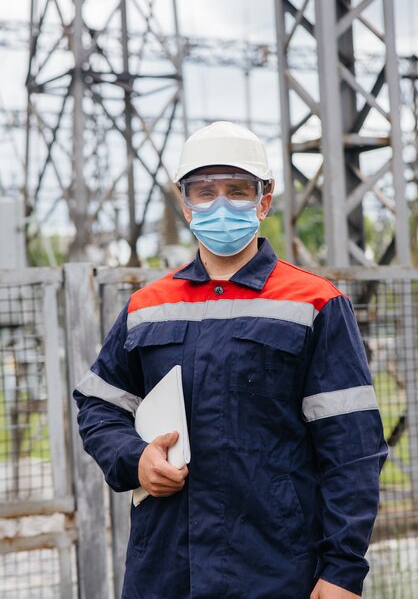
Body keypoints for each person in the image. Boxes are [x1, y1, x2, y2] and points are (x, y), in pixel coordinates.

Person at [74, 121, 388, 599]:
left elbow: (352, 451)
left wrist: (342, 570)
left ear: (264, 200)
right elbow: (99, 406)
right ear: (185, 202)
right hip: (166, 572)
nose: (220, 204)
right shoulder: (147, 307)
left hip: (276, 571)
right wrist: (134, 459)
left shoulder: (315, 304)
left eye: (237, 190)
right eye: (205, 191)